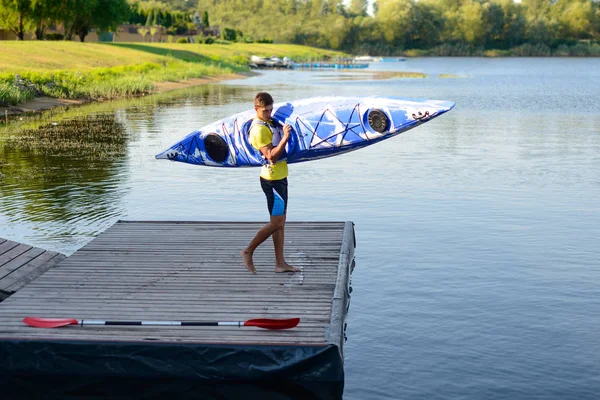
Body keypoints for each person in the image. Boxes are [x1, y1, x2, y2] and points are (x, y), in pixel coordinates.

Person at [241, 92, 301, 274]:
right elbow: (271, 157)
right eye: (265, 110)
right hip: (272, 180)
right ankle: (248, 251)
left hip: (279, 178)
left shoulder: (269, 123)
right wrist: (285, 138)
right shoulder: (259, 130)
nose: (269, 113)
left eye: (271, 109)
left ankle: (280, 264)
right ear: (256, 109)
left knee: (280, 222)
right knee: (276, 222)